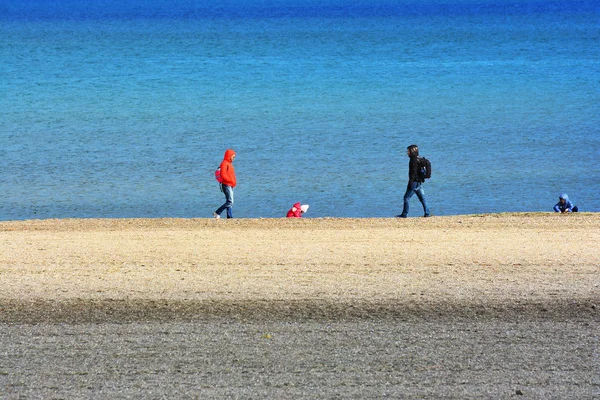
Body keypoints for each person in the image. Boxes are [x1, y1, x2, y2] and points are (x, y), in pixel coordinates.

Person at [397, 144, 430, 218]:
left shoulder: (413, 160)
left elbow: (413, 172)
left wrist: (410, 182)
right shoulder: (419, 158)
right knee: (422, 198)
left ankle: (404, 214)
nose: (407, 153)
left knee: (406, 198)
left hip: (414, 182)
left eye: (408, 151)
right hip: (419, 182)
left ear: (412, 151)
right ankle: (427, 213)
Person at [214, 149, 236, 219]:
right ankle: (217, 212)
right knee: (230, 202)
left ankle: (229, 216)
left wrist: (232, 182)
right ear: (229, 156)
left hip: (230, 185)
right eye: (233, 157)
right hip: (226, 185)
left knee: (229, 202)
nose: (234, 158)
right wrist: (230, 181)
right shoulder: (224, 163)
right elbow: (223, 175)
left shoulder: (229, 164)